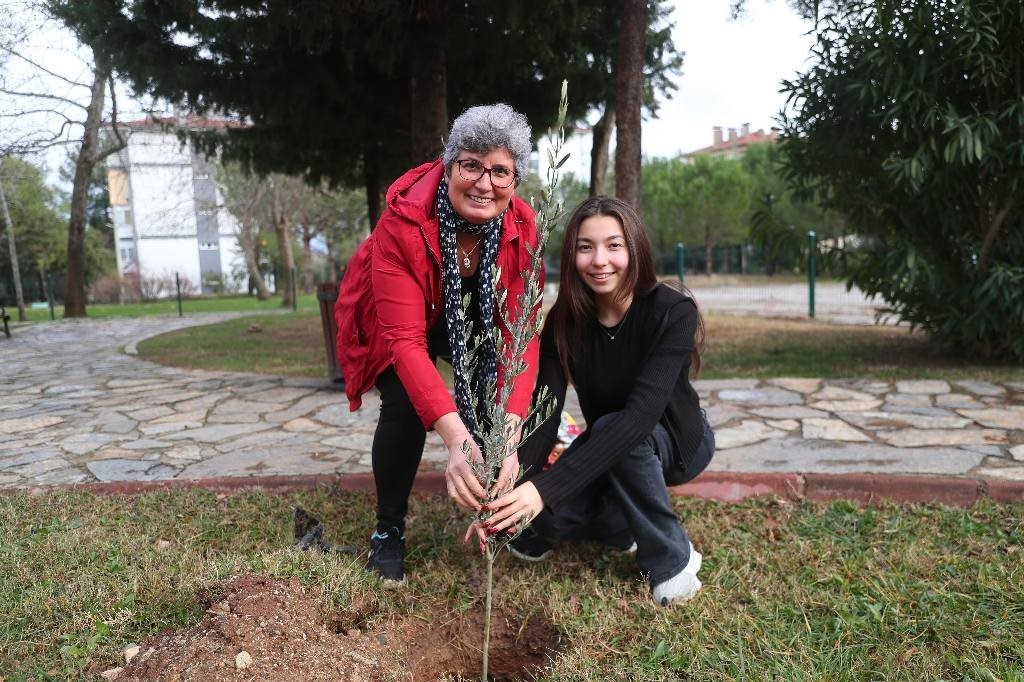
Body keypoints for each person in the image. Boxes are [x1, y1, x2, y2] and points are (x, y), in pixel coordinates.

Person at [334, 104, 541, 585]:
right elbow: (405, 341)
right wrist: (455, 440)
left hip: (469, 313)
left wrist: (507, 436)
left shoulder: (525, 229)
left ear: (515, 182)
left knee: (499, 389)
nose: (483, 182)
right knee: (405, 401)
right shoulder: (403, 221)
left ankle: (500, 511)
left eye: (500, 171)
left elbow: (520, 341)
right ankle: (388, 530)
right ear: (449, 165)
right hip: (402, 313)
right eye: (470, 164)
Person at [472, 196, 715, 606]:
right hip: (611, 449)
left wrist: (543, 489)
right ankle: (619, 525)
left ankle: (672, 559)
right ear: (572, 256)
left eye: (613, 245)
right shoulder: (565, 322)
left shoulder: (673, 312)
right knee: (546, 515)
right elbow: (546, 413)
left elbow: (638, 420)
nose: (599, 259)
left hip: (675, 444)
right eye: (586, 247)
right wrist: (515, 487)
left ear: (633, 248)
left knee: (611, 436)